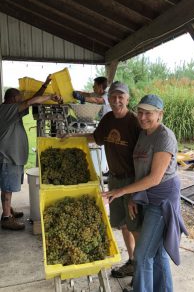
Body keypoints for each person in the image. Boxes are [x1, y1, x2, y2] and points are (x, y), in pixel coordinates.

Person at [103, 94, 188, 292]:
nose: (142, 117)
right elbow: (141, 171)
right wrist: (134, 196)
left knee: (142, 255)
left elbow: (154, 178)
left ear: (160, 114)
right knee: (157, 253)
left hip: (162, 201)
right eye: (140, 112)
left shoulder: (164, 137)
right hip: (147, 197)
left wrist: (121, 191)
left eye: (148, 113)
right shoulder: (145, 133)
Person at [69, 81, 142, 278]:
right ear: (108, 99)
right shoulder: (108, 118)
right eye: (113, 97)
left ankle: (142, 269)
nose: (117, 100)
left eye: (121, 97)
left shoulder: (134, 122)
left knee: (135, 225)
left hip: (131, 180)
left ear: (127, 99)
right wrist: (73, 136)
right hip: (115, 180)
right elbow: (96, 137)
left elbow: (145, 153)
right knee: (123, 224)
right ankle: (132, 260)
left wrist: (139, 189)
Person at [0, 75, 62, 230]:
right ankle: (6, 218)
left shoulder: (13, 111)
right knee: (7, 188)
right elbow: (28, 102)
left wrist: (45, 85)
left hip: (13, 157)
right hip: (7, 157)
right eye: (19, 98)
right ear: (14, 98)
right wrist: (50, 96)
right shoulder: (6, 110)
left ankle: (8, 210)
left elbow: (31, 100)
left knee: (8, 186)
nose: (22, 100)